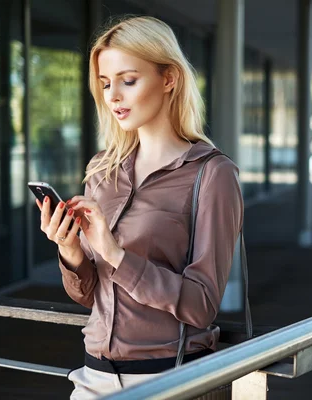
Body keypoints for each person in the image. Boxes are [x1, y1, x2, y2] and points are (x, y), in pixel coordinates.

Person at [35, 16, 243, 399]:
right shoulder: (102, 169)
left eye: (128, 81)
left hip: (167, 380)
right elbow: (90, 294)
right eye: (105, 83)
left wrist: (116, 253)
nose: (114, 96)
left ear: (169, 79)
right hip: (92, 376)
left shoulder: (213, 174)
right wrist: (70, 251)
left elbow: (202, 305)